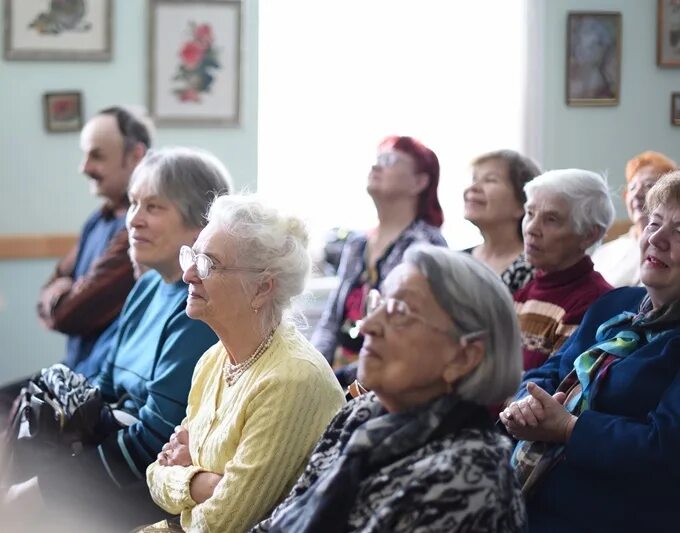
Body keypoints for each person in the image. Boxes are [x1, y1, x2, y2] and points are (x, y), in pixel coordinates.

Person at [2, 147, 231, 530]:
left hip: (148, 483)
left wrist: (46, 489)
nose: (134, 220)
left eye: (154, 208)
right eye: (134, 204)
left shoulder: (197, 310)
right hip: (110, 456)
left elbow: (154, 444)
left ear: (199, 224)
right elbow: (99, 389)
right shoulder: (147, 288)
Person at [252, 245, 525, 533]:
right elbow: (285, 516)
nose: (368, 325)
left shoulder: (470, 480)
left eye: (399, 311)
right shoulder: (362, 412)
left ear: (463, 357)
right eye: (379, 304)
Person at [143, 195, 345, 532]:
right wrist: (204, 484)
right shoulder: (214, 360)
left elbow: (221, 524)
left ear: (262, 288)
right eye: (191, 256)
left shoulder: (291, 380)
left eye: (209, 263)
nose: (189, 274)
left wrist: (186, 474)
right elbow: (155, 476)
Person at [500, 171, 680, 533]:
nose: (657, 238)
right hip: (525, 495)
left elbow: (663, 449)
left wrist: (569, 428)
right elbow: (548, 373)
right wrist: (526, 404)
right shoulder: (616, 304)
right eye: (654, 222)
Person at [312, 136, 447, 388]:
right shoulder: (356, 243)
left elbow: (409, 336)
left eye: (390, 160)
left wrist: (334, 383)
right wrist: (314, 369)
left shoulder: (427, 247)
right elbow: (330, 321)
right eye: (376, 160)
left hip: (387, 380)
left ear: (419, 182)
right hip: (337, 377)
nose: (376, 166)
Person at [38, 106, 152, 373]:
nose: (84, 168)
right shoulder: (98, 219)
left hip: (101, 387)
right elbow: (50, 286)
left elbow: (71, 313)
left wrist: (60, 296)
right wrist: (59, 294)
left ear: (136, 155)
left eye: (97, 156)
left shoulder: (138, 230)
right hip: (73, 373)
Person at [515, 169, 614, 371]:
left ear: (589, 235)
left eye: (551, 219)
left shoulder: (593, 304)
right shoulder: (527, 287)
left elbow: (550, 389)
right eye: (530, 213)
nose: (531, 228)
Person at [592, 150, 677, 287]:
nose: (637, 194)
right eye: (632, 187)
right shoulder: (605, 253)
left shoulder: (673, 252)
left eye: (649, 185)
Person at [463, 149, 541, 293]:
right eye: (474, 179)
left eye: (490, 180)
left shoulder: (535, 269)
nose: (473, 188)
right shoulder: (455, 261)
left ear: (522, 205)